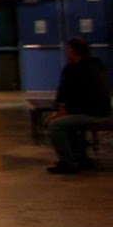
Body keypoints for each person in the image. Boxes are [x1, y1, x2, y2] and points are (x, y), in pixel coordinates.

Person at [45, 37, 112, 174]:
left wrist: (65, 111)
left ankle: (69, 162)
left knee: (56, 125)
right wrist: (59, 110)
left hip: (94, 112)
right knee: (64, 123)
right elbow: (63, 93)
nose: (66, 52)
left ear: (74, 51)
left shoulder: (88, 70)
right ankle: (80, 158)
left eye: (68, 50)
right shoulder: (73, 69)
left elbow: (90, 98)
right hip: (83, 111)